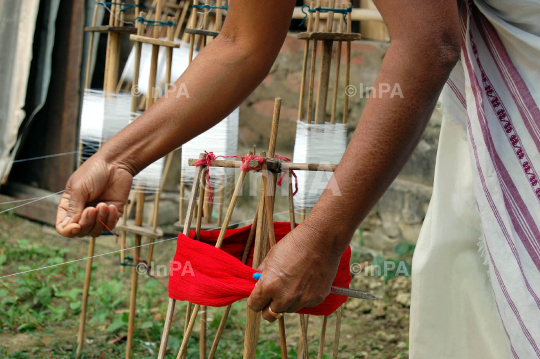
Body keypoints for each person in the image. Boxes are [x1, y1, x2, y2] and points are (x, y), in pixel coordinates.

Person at [56, 0, 540, 357]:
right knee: (465, 299)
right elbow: (240, 44)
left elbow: (428, 43)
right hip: (495, 125)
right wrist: (118, 160)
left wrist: (323, 237)